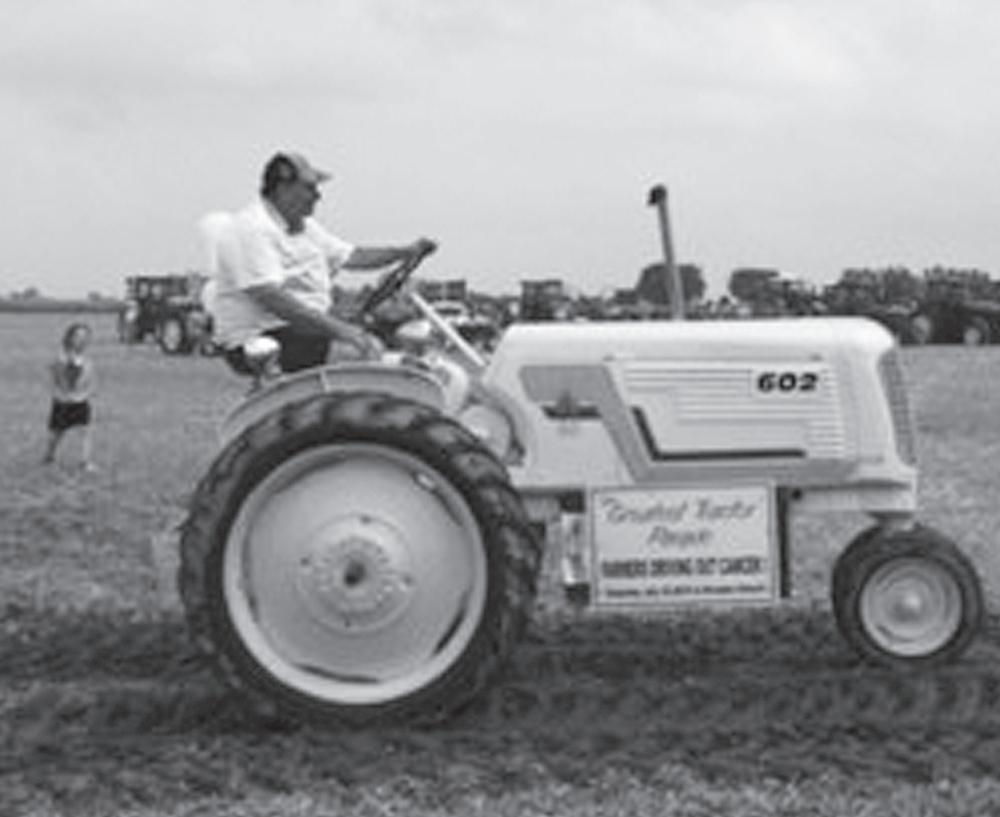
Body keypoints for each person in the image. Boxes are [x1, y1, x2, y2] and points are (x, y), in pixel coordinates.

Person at [207, 151, 435, 375]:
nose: (317, 196)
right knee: (358, 351)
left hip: (296, 330)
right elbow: (273, 298)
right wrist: (342, 331)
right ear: (283, 188)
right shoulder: (251, 228)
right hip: (261, 338)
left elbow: (353, 256)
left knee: (399, 342)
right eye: (309, 188)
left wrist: (405, 252)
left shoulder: (305, 227)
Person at [43, 322, 97, 471]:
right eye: (78, 336)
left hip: (81, 400)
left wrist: (87, 393)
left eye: (85, 336)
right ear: (70, 337)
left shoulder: (85, 359)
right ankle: (49, 456)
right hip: (63, 402)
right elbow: (56, 378)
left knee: (85, 430)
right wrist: (59, 393)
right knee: (57, 433)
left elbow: (88, 379)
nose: (82, 340)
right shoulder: (61, 357)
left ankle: (85, 461)